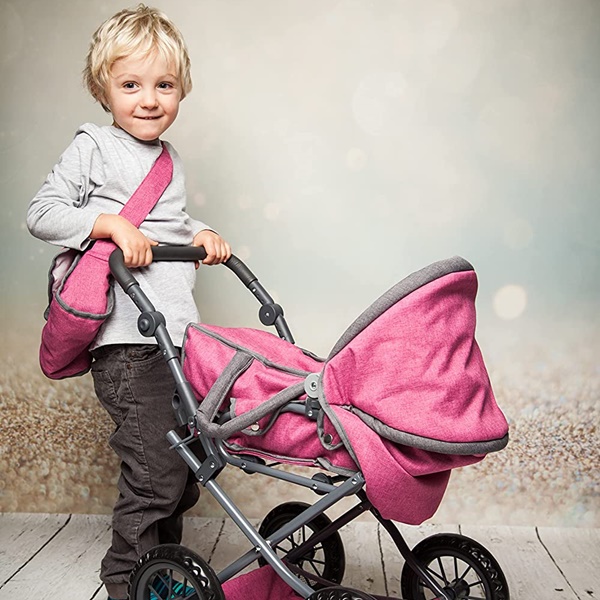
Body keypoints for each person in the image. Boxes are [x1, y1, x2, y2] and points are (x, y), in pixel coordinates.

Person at [27, 5, 231, 599]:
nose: (149, 100)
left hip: (175, 343)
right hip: (126, 346)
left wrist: (199, 233)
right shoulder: (93, 146)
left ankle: (161, 569)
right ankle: (126, 579)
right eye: (131, 85)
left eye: (164, 85)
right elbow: (42, 213)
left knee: (185, 469)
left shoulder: (169, 160)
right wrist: (110, 224)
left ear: (181, 90)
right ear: (104, 89)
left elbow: (169, 223)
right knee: (154, 471)